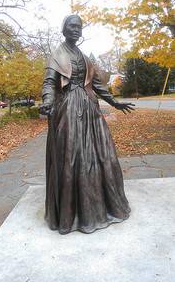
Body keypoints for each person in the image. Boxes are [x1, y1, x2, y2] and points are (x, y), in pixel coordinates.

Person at [39, 14, 135, 234]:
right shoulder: (57, 55)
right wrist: (47, 102)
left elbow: (98, 86)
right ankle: (72, 215)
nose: (76, 29)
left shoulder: (85, 58)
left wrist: (115, 102)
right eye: (72, 26)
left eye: (79, 27)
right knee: (72, 157)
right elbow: (49, 83)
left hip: (90, 110)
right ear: (64, 30)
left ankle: (100, 207)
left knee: (103, 154)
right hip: (69, 109)